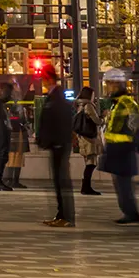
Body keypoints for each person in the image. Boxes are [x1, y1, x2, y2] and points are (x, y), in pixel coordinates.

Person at [99, 71, 139, 225]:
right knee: (120, 184)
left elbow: (135, 126)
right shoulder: (118, 103)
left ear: (116, 84)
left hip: (123, 149)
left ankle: (131, 213)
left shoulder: (126, 103)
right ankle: (129, 212)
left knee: (123, 184)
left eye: (109, 84)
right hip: (117, 148)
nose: (108, 88)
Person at [36, 66, 76, 227]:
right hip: (57, 144)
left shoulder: (57, 98)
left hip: (59, 144)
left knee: (62, 181)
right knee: (59, 181)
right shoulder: (54, 97)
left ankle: (67, 217)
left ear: (50, 79)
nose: (43, 82)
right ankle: (61, 215)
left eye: (44, 78)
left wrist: (55, 141)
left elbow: (59, 122)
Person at [73, 85, 104, 196]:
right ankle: (86, 187)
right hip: (89, 138)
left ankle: (86, 186)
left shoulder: (79, 105)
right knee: (91, 163)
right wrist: (103, 118)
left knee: (89, 162)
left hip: (83, 137)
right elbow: (97, 120)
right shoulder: (88, 106)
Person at [4, 81, 29, 189]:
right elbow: (20, 118)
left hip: (14, 132)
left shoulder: (11, 103)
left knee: (15, 157)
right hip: (16, 132)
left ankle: (11, 179)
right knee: (15, 156)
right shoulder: (14, 104)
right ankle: (12, 180)